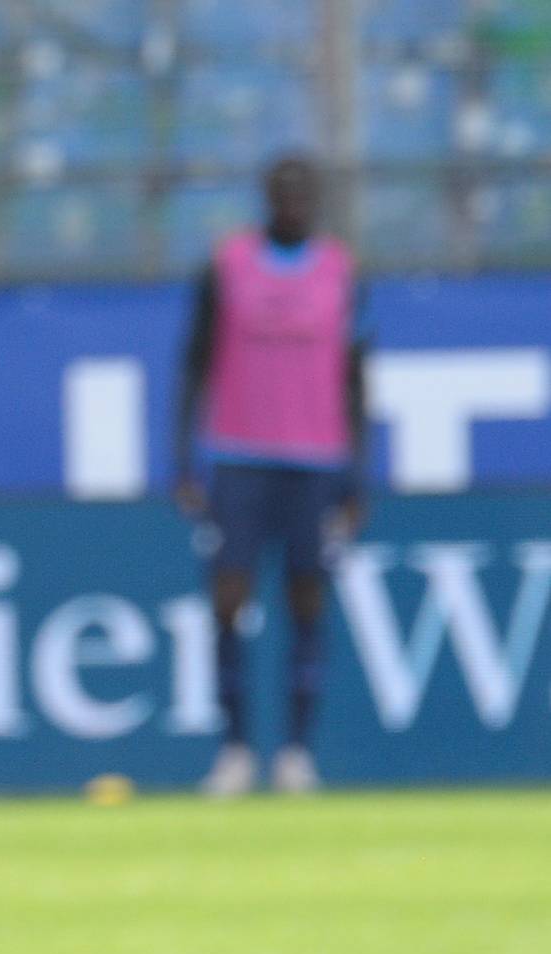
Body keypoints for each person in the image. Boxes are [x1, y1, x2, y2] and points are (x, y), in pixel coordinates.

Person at [174, 152, 368, 797]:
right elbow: (194, 360)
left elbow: (355, 375)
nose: (292, 203)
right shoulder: (227, 265)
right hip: (239, 454)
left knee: (307, 597)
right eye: (281, 192)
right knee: (229, 598)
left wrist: (358, 473)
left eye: (303, 193)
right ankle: (234, 749)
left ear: (315, 200)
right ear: (265, 197)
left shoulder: (341, 271)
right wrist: (182, 457)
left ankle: (295, 753)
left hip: (315, 459)